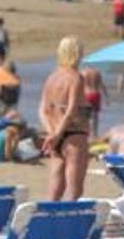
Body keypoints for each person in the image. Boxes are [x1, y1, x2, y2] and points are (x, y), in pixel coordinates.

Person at [38, 37, 91, 201]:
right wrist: (58, 134)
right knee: (74, 191)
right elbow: (71, 109)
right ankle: (69, 225)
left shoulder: (52, 77)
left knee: (54, 190)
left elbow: (42, 110)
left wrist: (52, 133)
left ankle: (50, 221)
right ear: (76, 54)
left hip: (55, 136)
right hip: (74, 135)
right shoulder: (76, 77)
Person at [81, 67, 106, 137]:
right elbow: (102, 85)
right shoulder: (97, 72)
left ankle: (87, 132)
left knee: (85, 116)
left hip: (86, 94)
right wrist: (107, 96)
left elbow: (79, 85)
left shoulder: (83, 73)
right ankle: (95, 133)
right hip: (96, 94)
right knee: (95, 116)